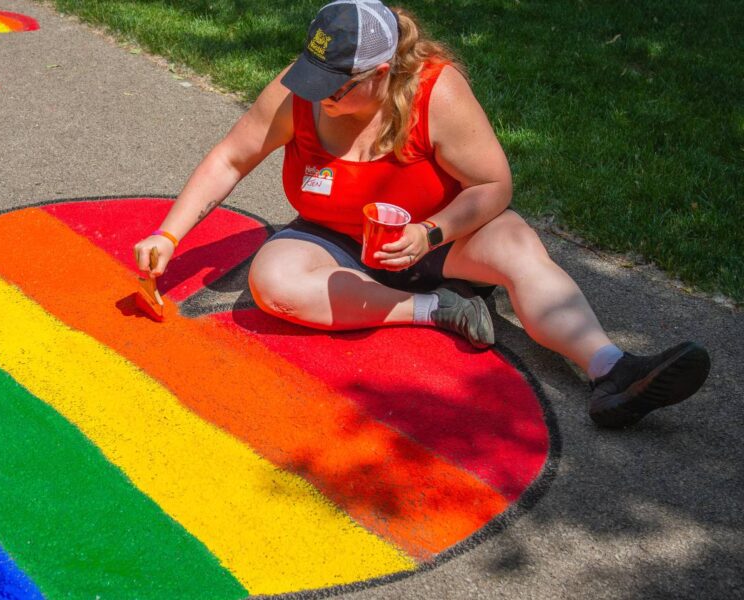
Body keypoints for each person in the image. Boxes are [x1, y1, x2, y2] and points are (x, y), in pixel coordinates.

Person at [132, 0, 710, 427]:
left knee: (517, 249)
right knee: (272, 282)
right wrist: (169, 232)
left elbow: (494, 184)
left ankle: (613, 372)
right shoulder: (300, 91)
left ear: (382, 73)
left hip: (443, 234)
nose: (318, 96)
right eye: (314, 80)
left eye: (336, 87)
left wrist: (430, 232)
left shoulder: (438, 93)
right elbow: (231, 158)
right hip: (337, 239)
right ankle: (436, 309)